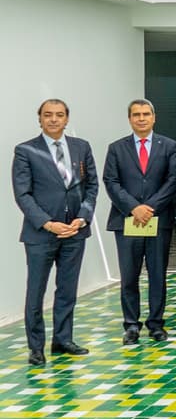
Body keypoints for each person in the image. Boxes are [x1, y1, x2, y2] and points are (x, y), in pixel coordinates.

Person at [12, 99, 99, 366]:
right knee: (36, 291)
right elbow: (23, 194)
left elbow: (91, 187)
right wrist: (47, 223)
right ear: (39, 119)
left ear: (66, 119)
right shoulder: (26, 150)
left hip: (74, 231)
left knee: (67, 290)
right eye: (47, 115)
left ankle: (62, 339)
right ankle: (36, 347)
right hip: (41, 234)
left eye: (59, 115)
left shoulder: (81, 147)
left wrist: (82, 218)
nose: (53, 119)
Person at [102, 99, 176, 345]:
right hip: (127, 220)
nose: (141, 118)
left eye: (146, 114)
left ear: (154, 117)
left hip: (158, 220)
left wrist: (150, 208)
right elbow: (111, 181)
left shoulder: (169, 146)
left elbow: (173, 179)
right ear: (129, 119)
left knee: (158, 274)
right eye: (136, 115)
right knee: (129, 276)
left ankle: (156, 324)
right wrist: (134, 208)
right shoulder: (117, 148)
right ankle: (131, 325)